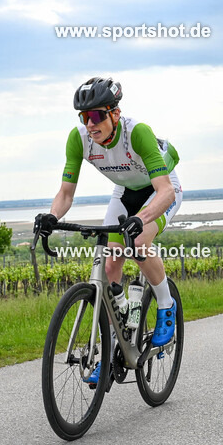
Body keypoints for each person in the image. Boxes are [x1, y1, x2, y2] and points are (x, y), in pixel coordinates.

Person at [35, 77, 182, 386]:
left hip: (161, 190)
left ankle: (166, 307)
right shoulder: (78, 140)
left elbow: (165, 190)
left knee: (138, 243)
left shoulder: (137, 133)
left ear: (115, 113)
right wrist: (51, 216)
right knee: (110, 259)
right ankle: (113, 346)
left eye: (97, 115)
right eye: (84, 116)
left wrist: (141, 219)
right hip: (126, 190)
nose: (90, 123)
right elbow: (65, 194)